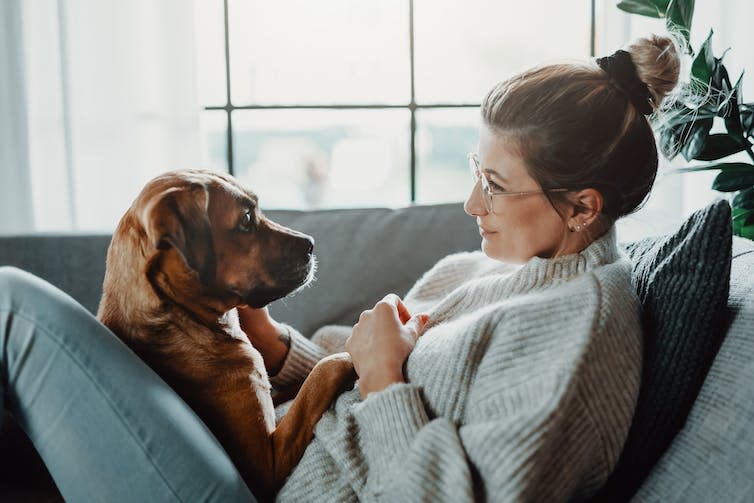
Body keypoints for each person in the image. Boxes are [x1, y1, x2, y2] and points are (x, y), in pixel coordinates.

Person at [0, 34, 680, 502]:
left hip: (258, 487)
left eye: (496, 185)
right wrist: (276, 349)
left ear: (582, 208)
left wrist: (385, 379)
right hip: (258, 452)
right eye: (478, 171)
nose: (472, 201)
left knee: (10, 307)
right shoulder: (477, 270)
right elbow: (345, 362)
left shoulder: (580, 333)